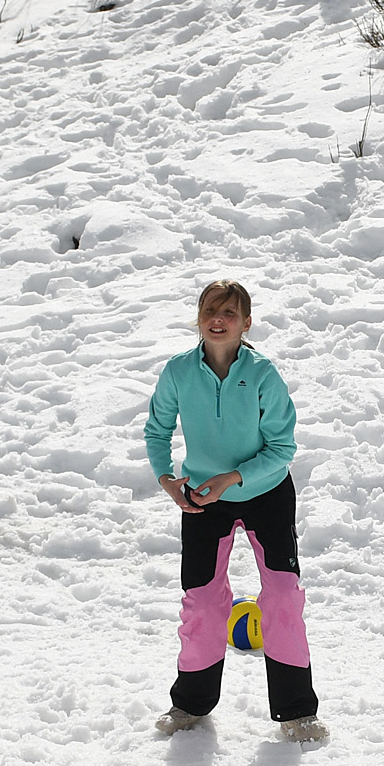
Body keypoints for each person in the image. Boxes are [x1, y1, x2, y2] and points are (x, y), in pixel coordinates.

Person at [147, 280, 325, 741]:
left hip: (266, 495)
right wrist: (166, 479)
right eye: (210, 310)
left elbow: (283, 447)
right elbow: (157, 430)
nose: (218, 318)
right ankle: (190, 705)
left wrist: (233, 477)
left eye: (229, 312)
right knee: (203, 602)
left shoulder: (264, 374)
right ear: (199, 318)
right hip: (203, 501)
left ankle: (298, 712)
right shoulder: (179, 372)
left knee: (283, 597)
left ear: (247, 323)